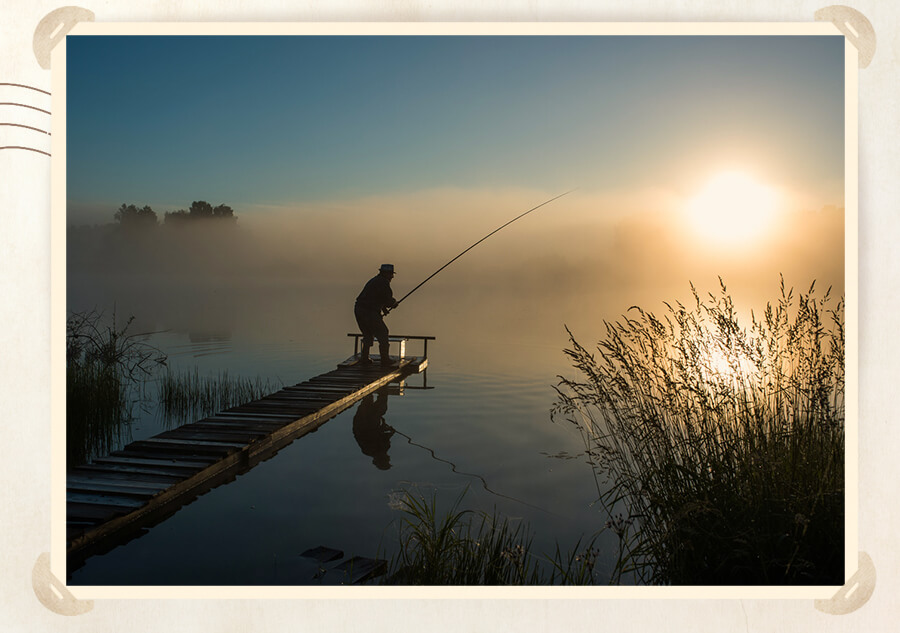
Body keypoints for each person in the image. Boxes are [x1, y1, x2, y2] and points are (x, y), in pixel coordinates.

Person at [354, 264, 399, 366]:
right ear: (386, 274)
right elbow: (388, 301)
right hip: (368, 311)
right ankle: (385, 360)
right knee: (383, 332)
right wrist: (394, 303)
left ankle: (364, 358)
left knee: (368, 334)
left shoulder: (375, 281)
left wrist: (382, 308)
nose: (392, 277)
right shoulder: (383, 283)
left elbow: (377, 297)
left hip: (359, 309)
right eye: (391, 274)